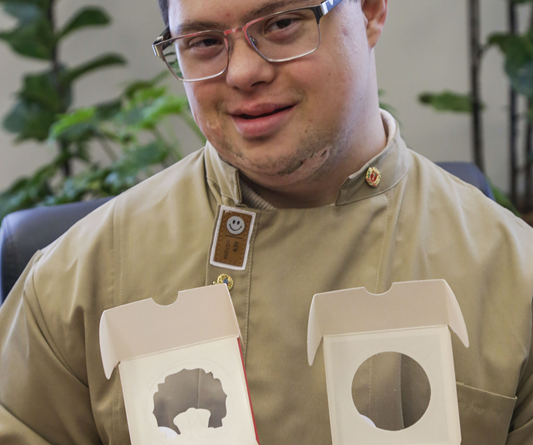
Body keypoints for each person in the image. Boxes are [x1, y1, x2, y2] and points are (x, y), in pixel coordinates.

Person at [0, 0, 532, 443]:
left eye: (280, 24)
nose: (242, 72)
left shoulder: (515, 281)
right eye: (204, 42)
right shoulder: (75, 282)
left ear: (370, 11)